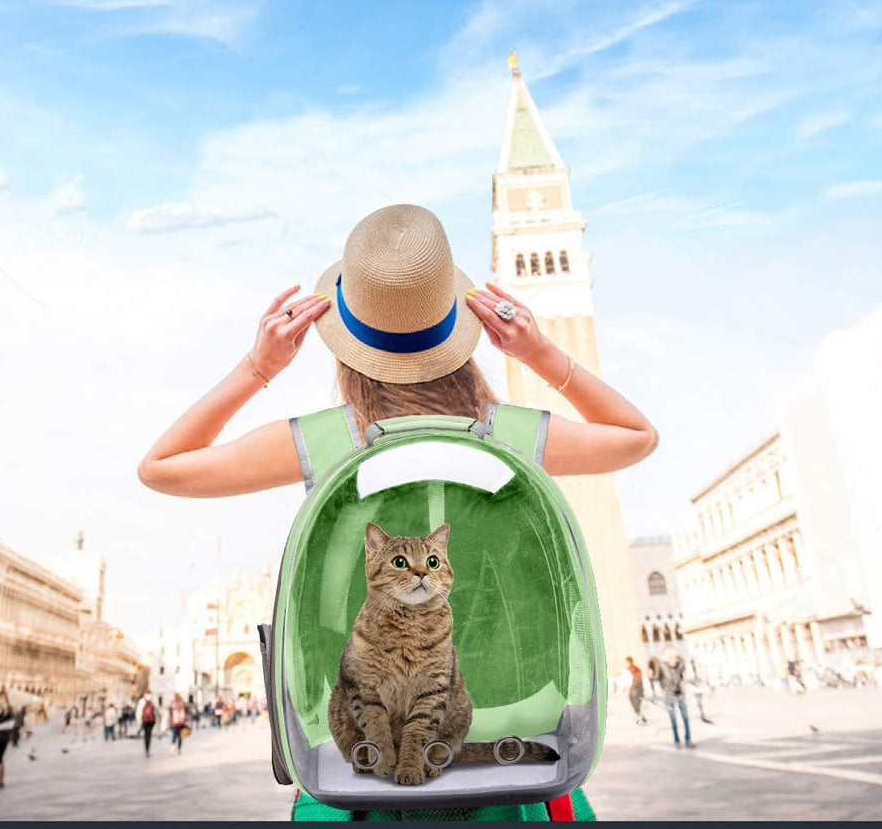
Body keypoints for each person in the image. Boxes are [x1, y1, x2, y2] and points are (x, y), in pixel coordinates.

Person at [138, 204, 658, 821]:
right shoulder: (512, 436)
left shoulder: (323, 442)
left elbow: (161, 467)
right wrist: (539, 353)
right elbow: (637, 437)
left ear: (346, 346)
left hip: (358, 777)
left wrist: (259, 368)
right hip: (513, 773)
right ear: (460, 332)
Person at [660, 648, 693, 749]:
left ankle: (688, 740)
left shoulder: (680, 666)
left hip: (680, 695)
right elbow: (657, 679)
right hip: (669, 696)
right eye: (672, 658)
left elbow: (684, 667)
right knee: (673, 719)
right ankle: (677, 740)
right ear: (668, 659)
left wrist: (679, 658)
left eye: (675, 658)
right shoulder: (663, 668)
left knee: (685, 718)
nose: (674, 660)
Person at [625, 655, 647, 725]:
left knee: (636, 702)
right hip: (635, 687)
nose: (627, 663)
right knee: (634, 701)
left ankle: (640, 717)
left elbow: (637, 678)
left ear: (630, 661)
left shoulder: (634, 668)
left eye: (627, 662)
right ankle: (640, 716)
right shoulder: (630, 668)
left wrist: (633, 686)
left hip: (637, 687)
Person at [137, 692, 158, 757]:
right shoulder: (152, 702)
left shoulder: (141, 702)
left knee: (146, 735)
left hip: (144, 721)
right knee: (149, 735)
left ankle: (146, 749)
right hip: (151, 721)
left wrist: (139, 723)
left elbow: (139, 713)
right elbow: (156, 712)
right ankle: (148, 750)